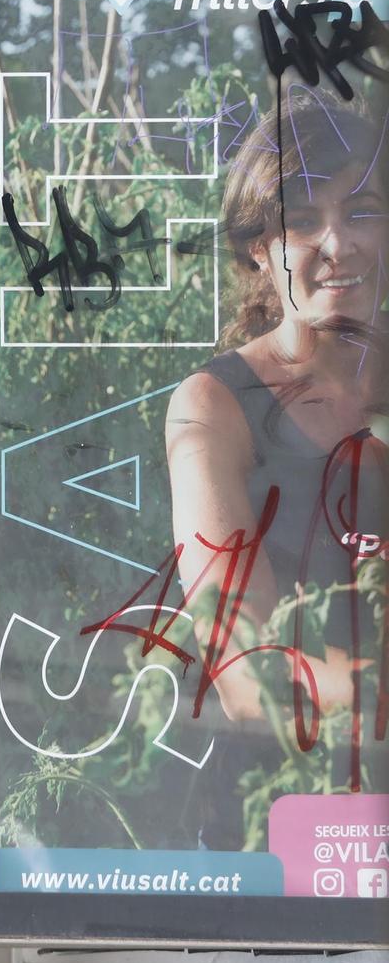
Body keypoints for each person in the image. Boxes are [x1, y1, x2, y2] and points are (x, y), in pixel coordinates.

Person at [164, 86, 388, 838]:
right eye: (303, 219)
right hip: (278, 822)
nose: (340, 243)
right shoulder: (213, 408)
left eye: (362, 210)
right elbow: (244, 671)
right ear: (261, 245)